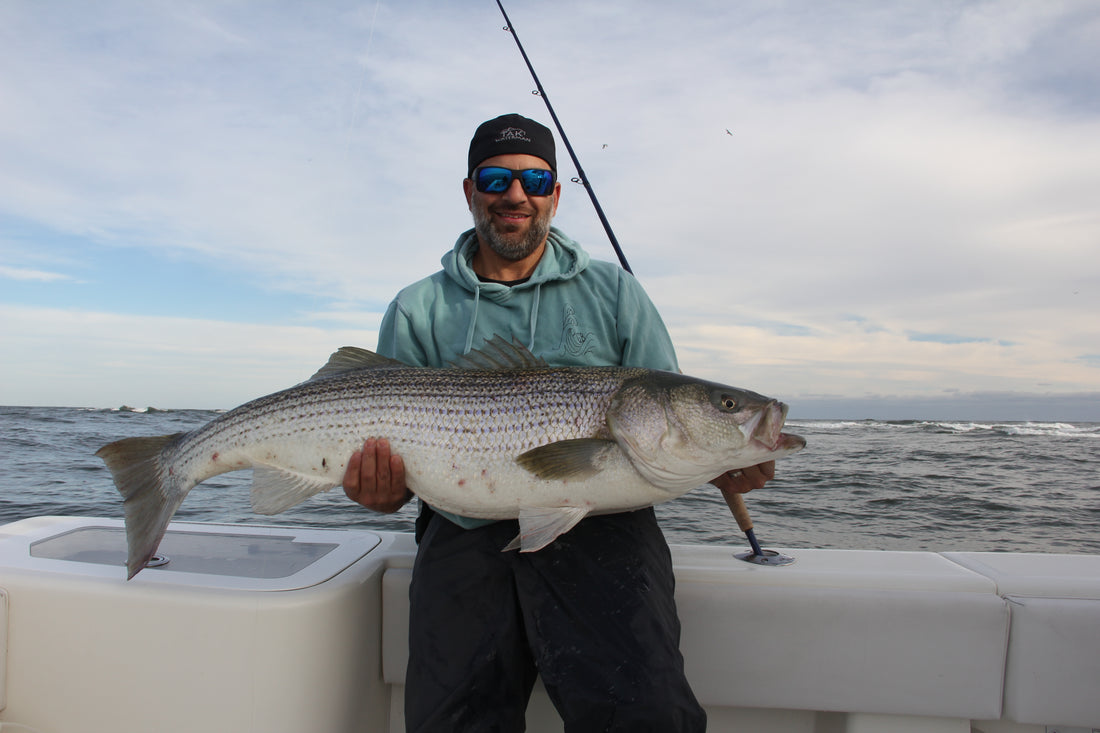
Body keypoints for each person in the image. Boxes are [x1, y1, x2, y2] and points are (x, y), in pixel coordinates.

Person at [342, 113, 775, 732]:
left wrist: (724, 462)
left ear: (554, 194)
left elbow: (667, 423)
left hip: (606, 531)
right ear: (470, 192)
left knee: (646, 716)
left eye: (533, 180)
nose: (514, 195)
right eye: (495, 178)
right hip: (463, 531)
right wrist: (377, 492)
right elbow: (387, 475)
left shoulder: (615, 293)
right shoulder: (418, 307)